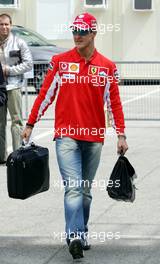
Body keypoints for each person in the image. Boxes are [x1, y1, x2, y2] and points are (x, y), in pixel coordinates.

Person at [22, 12, 128, 259]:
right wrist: (30, 122)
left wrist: (121, 135)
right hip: (67, 135)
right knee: (74, 188)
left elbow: (114, 104)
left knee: (86, 191)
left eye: (82, 31)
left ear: (93, 33)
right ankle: (74, 236)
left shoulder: (107, 67)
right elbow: (45, 94)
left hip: (93, 137)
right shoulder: (60, 62)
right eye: (74, 31)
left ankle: (82, 230)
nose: (77, 36)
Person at [0, 13, 33, 164]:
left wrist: (9, 70)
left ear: (11, 25)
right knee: (0, 123)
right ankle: (1, 157)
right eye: (1, 24)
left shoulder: (19, 43)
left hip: (13, 87)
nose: (4, 27)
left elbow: (28, 64)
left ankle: (16, 157)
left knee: (16, 122)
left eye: (6, 24)